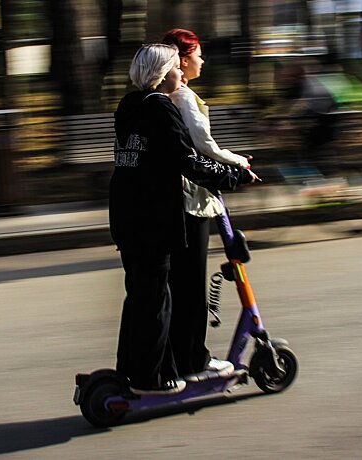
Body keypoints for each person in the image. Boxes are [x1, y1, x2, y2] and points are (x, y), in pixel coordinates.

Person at [109, 43, 254, 395]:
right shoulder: (159, 108)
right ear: (162, 75)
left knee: (140, 297)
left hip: (127, 214)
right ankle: (152, 379)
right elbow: (187, 160)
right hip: (153, 217)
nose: (181, 75)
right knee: (155, 299)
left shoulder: (129, 105)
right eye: (176, 68)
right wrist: (232, 176)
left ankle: (132, 370)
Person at [161, 29, 258, 383]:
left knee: (179, 286)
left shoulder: (163, 95)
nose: (203, 60)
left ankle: (178, 358)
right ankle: (194, 360)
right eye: (199, 54)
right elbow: (205, 145)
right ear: (184, 60)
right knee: (190, 287)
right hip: (191, 201)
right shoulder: (182, 95)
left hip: (175, 200)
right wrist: (240, 165)